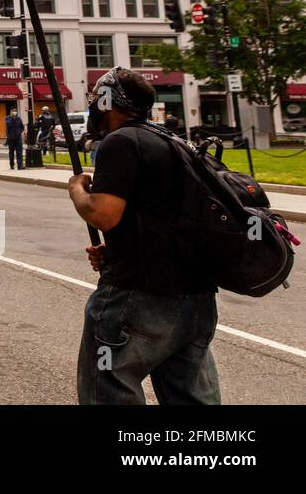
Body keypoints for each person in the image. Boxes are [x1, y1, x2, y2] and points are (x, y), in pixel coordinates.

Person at [70, 68, 221, 405]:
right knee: (191, 397)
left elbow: (103, 214)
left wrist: (77, 190)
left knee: (107, 384)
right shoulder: (173, 142)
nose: (94, 107)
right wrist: (116, 250)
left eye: (97, 100)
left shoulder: (121, 142)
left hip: (139, 296)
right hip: (195, 300)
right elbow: (161, 218)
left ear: (109, 102)